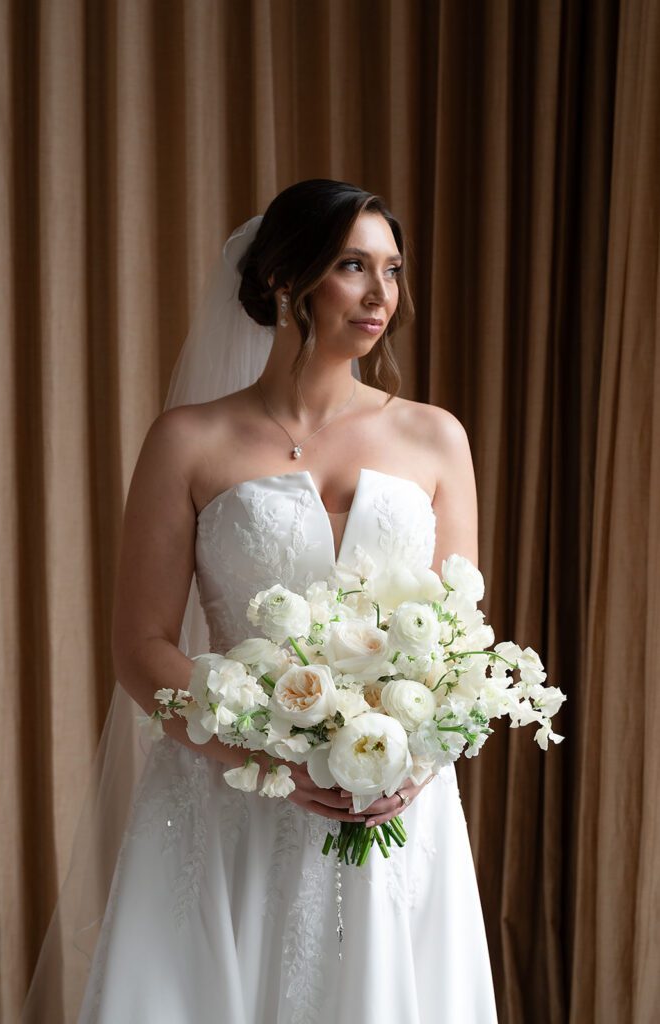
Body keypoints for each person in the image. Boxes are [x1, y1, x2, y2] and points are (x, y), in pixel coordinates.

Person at [25, 179, 498, 1022]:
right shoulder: (188, 440)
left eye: (391, 269)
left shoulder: (435, 436)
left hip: (390, 802)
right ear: (286, 276)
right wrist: (266, 757)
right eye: (353, 265)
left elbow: (462, 639)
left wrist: (408, 762)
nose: (381, 293)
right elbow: (139, 645)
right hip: (227, 794)